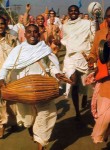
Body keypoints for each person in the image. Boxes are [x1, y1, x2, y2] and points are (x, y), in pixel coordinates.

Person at [0, 24, 65, 150]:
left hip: (43, 89)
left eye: (35, 32)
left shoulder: (44, 49)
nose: (32, 35)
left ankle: (40, 144)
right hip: (23, 91)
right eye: (29, 32)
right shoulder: (18, 50)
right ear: (25, 34)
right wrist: (0, 79)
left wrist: (57, 74)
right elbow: (5, 67)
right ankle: (33, 132)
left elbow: (52, 66)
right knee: (28, 120)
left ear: (39, 34)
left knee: (45, 117)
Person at [61, 5, 96, 121]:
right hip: (70, 58)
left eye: (75, 10)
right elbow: (65, 40)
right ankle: (77, 112)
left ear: (79, 12)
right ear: (68, 13)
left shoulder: (87, 24)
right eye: (71, 11)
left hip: (83, 57)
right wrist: (58, 42)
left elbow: (93, 38)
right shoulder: (65, 26)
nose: (73, 12)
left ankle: (85, 94)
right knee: (74, 82)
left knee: (84, 83)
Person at [88, 6, 110, 143]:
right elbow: (93, 53)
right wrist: (90, 60)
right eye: (109, 16)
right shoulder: (99, 34)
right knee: (104, 114)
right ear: (106, 18)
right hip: (105, 80)